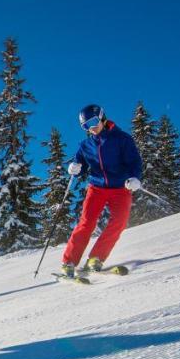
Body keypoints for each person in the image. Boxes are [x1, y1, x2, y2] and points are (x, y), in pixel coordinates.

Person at [61, 104, 143, 279]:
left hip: (120, 188)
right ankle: (69, 262)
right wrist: (75, 168)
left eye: (93, 121)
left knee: (119, 222)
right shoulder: (85, 145)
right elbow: (80, 165)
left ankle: (96, 258)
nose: (91, 127)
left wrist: (134, 177)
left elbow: (134, 162)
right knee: (87, 222)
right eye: (85, 125)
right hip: (96, 188)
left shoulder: (122, 139)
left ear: (102, 117)